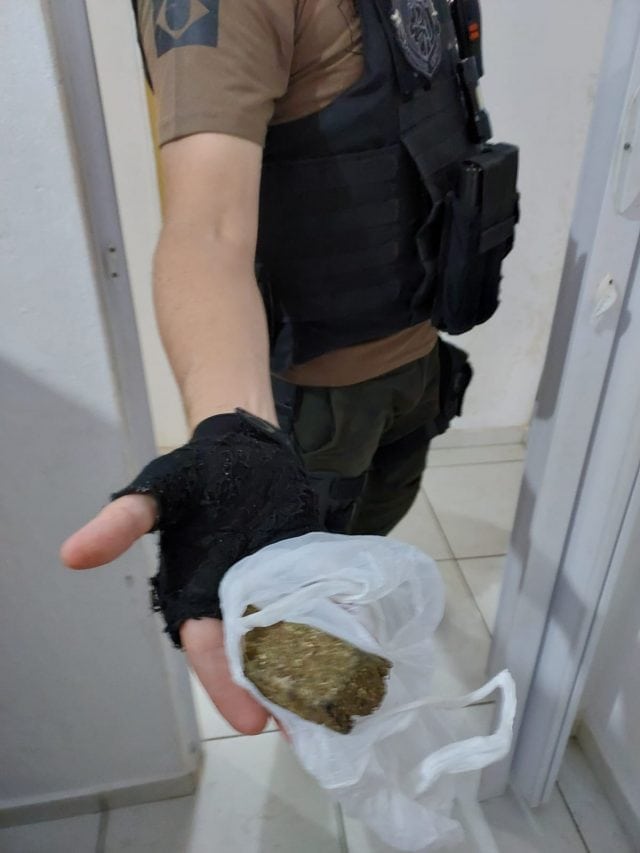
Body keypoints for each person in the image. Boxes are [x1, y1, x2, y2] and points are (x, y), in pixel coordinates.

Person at [61, 0, 517, 736]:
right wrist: (237, 433)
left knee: (365, 547)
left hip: (418, 353)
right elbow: (207, 229)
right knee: (296, 605)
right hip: (315, 396)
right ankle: (313, 729)